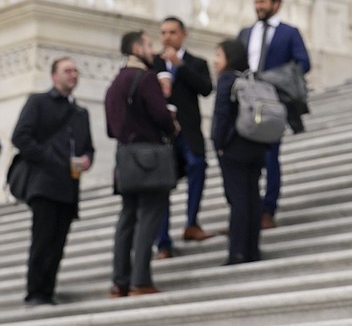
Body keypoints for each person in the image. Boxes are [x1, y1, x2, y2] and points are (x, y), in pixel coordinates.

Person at [11, 57, 95, 306]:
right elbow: (21, 137)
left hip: (69, 185)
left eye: (75, 71)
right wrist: (50, 159)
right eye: (67, 71)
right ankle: (35, 291)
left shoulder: (81, 113)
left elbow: (88, 147)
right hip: (43, 184)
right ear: (53, 76)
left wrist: (87, 160)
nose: (73, 75)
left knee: (58, 242)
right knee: (43, 239)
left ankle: (47, 290)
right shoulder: (38, 102)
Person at [105, 31, 176, 297]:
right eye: (148, 45)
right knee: (149, 216)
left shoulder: (115, 83)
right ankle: (140, 279)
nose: (152, 50)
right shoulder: (145, 78)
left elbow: (110, 129)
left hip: (125, 155)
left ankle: (119, 281)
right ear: (136, 48)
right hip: (149, 155)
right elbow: (160, 113)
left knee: (127, 218)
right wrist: (172, 124)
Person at [237, 0, 310, 228]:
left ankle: (268, 208)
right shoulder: (246, 33)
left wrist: (275, 79)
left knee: (271, 156)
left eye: (263, 2)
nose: (258, 7)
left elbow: (303, 63)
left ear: (276, 4)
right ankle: (248, 209)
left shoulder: (289, 33)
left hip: (273, 103)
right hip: (248, 102)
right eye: (256, 2)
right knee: (247, 158)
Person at [152, 16, 213, 259]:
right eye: (163, 32)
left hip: (188, 131)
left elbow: (206, 89)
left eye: (172, 32)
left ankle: (191, 222)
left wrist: (181, 66)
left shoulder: (196, 62)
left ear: (183, 34)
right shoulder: (153, 62)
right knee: (162, 186)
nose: (167, 37)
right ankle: (163, 242)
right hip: (162, 135)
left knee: (198, 165)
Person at [210, 39, 268, 265]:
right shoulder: (248, 78)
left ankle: (237, 251)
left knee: (239, 200)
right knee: (253, 197)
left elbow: (222, 116)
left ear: (229, 58)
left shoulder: (226, 80)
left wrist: (219, 144)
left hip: (234, 148)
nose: (215, 61)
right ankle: (252, 250)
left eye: (218, 55)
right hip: (255, 145)